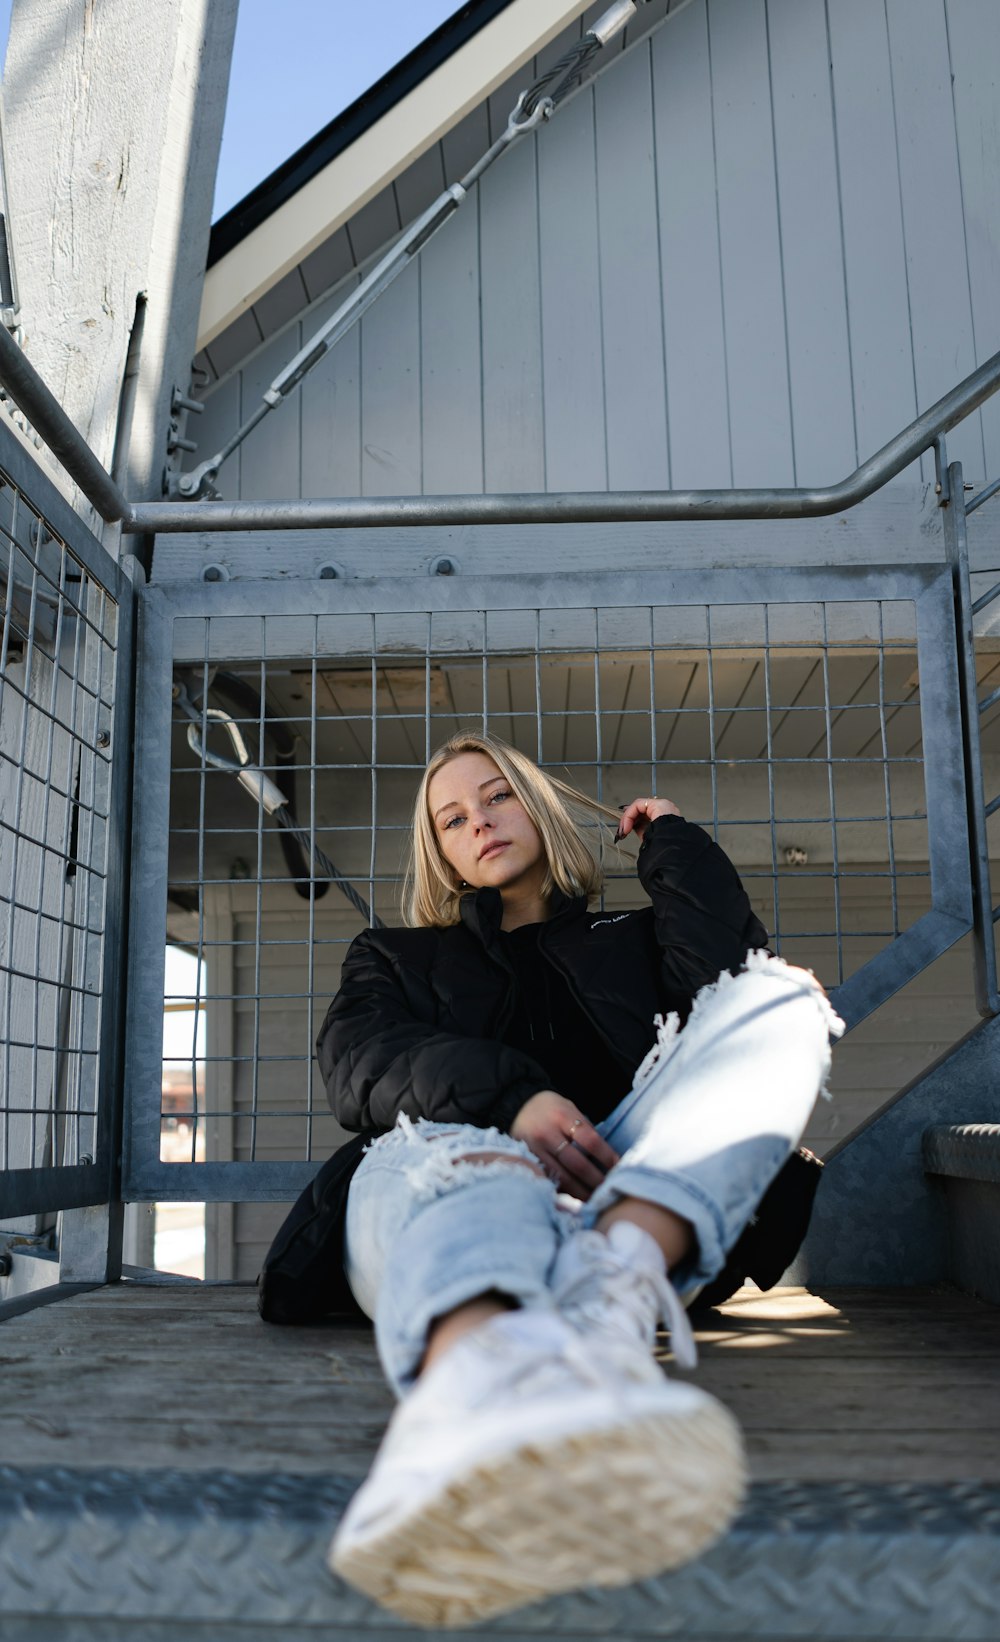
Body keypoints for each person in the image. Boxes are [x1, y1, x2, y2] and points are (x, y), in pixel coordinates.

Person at [316, 731, 842, 1628]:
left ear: (538, 806)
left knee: (782, 997)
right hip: (460, 1183)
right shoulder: (394, 956)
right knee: (426, 1146)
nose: (478, 821)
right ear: (438, 851)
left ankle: (612, 1291)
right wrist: (515, 1101)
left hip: (634, 1186)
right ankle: (465, 1387)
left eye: (497, 798)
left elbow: (725, 983)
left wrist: (673, 843)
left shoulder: (630, 936)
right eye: (453, 817)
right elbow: (358, 1064)